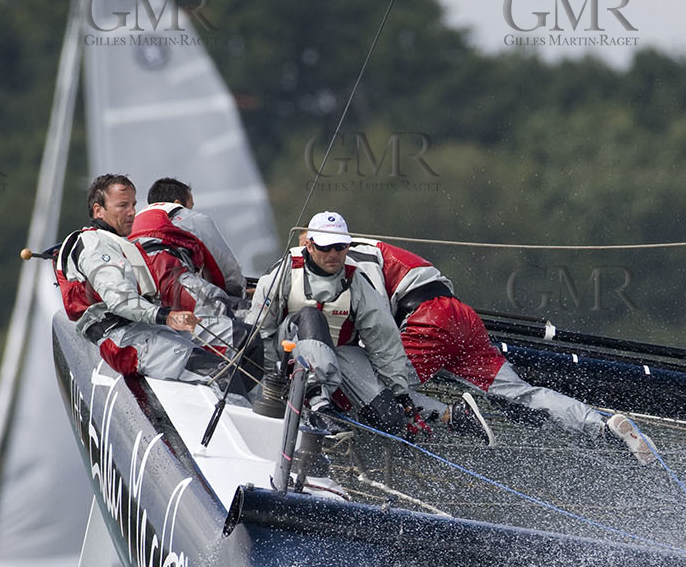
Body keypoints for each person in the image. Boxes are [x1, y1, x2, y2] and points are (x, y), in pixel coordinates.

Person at [347, 232, 657, 464]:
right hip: (460, 317)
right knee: (521, 395)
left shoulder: (351, 255)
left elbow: (373, 315)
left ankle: (452, 416)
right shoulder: (369, 251)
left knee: (368, 385)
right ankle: (602, 428)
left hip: (427, 319)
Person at [56, 174, 257, 395]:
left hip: (155, 327)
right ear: (98, 210)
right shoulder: (93, 243)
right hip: (124, 339)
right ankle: (237, 418)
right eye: (122, 206)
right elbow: (120, 300)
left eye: (133, 204)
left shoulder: (119, 243)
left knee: (249, 341)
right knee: (222, 374)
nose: (132, 212)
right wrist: (167, 316)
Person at [249, 211, 430, 437]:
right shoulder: (284, 272)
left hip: (338, 357)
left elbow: (383, 340)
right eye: (325, 247)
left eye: (340, 246)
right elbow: (258, 332)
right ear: (310, 246)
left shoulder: (357, 281)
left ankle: (352, 435)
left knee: (390, 421)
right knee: (311, 316)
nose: (333, 254)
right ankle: (318, 405)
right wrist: (270, 382)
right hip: (287, 358)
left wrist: (400, 392)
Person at [142, 177, 246, 309]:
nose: (191, 211)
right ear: (178, 203)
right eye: (191, 207)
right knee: (247, 317)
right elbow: (226, 268)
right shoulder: (190, 218)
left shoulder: (133, 225)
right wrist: (241, 292)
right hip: (182, 297)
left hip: (150, 308)